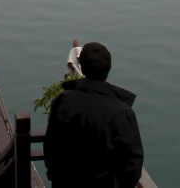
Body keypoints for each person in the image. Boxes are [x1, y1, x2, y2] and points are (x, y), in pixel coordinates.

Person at [44, 42, 144, 188]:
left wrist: (56, 177)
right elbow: (132, 164)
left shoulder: (63, 101)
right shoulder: (122, 112)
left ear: (82, 68)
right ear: (109, 67)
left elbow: (51, 146)